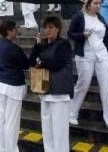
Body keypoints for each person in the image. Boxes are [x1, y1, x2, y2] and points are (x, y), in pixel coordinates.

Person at [68, 0, 108, 133]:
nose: (98, 6)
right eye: (95, 3)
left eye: (99, 3)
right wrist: (82, 35)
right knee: (82, 84)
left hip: (102, 54)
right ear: (88, 3)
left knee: (106, 87)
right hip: (85, 55)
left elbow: (102, 38)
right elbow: (70, 34)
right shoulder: (79, 17)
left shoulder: (100, 18)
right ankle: (72, 113)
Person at [29, 16, 74, 152]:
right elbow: (31, 62)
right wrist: (36, 45)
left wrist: (41, 62)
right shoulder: (43, 45)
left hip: (59, 92)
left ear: (58, 29)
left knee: (59, 130)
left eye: (51, 27)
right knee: (47, 129)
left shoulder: (63, 44)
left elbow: (57, 64)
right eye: (46, 27)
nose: (47, 30)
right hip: (45, 91)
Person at [0, 20, 29, 152]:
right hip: (13, 86)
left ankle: (3, 149)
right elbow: (26, 64)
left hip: (1, 85)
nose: (17, 31)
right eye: (15, 29)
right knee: (12, 122)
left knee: (2, 120)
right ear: (9, 31)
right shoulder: (14, 48)